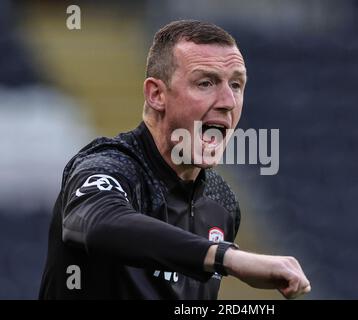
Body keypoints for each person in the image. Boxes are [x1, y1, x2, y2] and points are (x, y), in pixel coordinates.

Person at [39, 20, 311, 300]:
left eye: (237, 84)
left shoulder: (221, 204)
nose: (228, 101)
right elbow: (95, 222)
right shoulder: (110, 165)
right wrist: (226, 258)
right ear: (156, 94)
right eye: (205, 83)